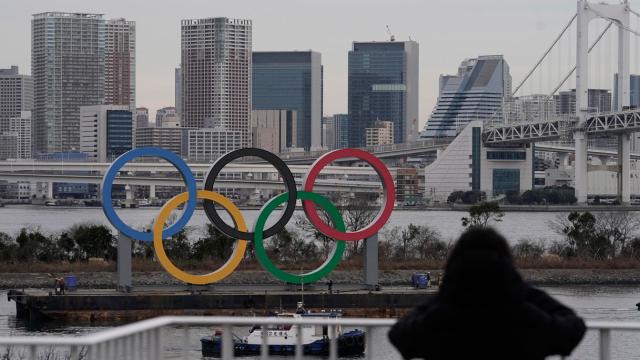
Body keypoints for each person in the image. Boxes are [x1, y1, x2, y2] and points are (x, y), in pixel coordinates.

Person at [388, 227, 586, 360]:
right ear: (507, 266)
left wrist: (446, 294)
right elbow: (573, 327)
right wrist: (520, 290)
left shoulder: (440, 317)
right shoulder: (526, 318)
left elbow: (400, 335)